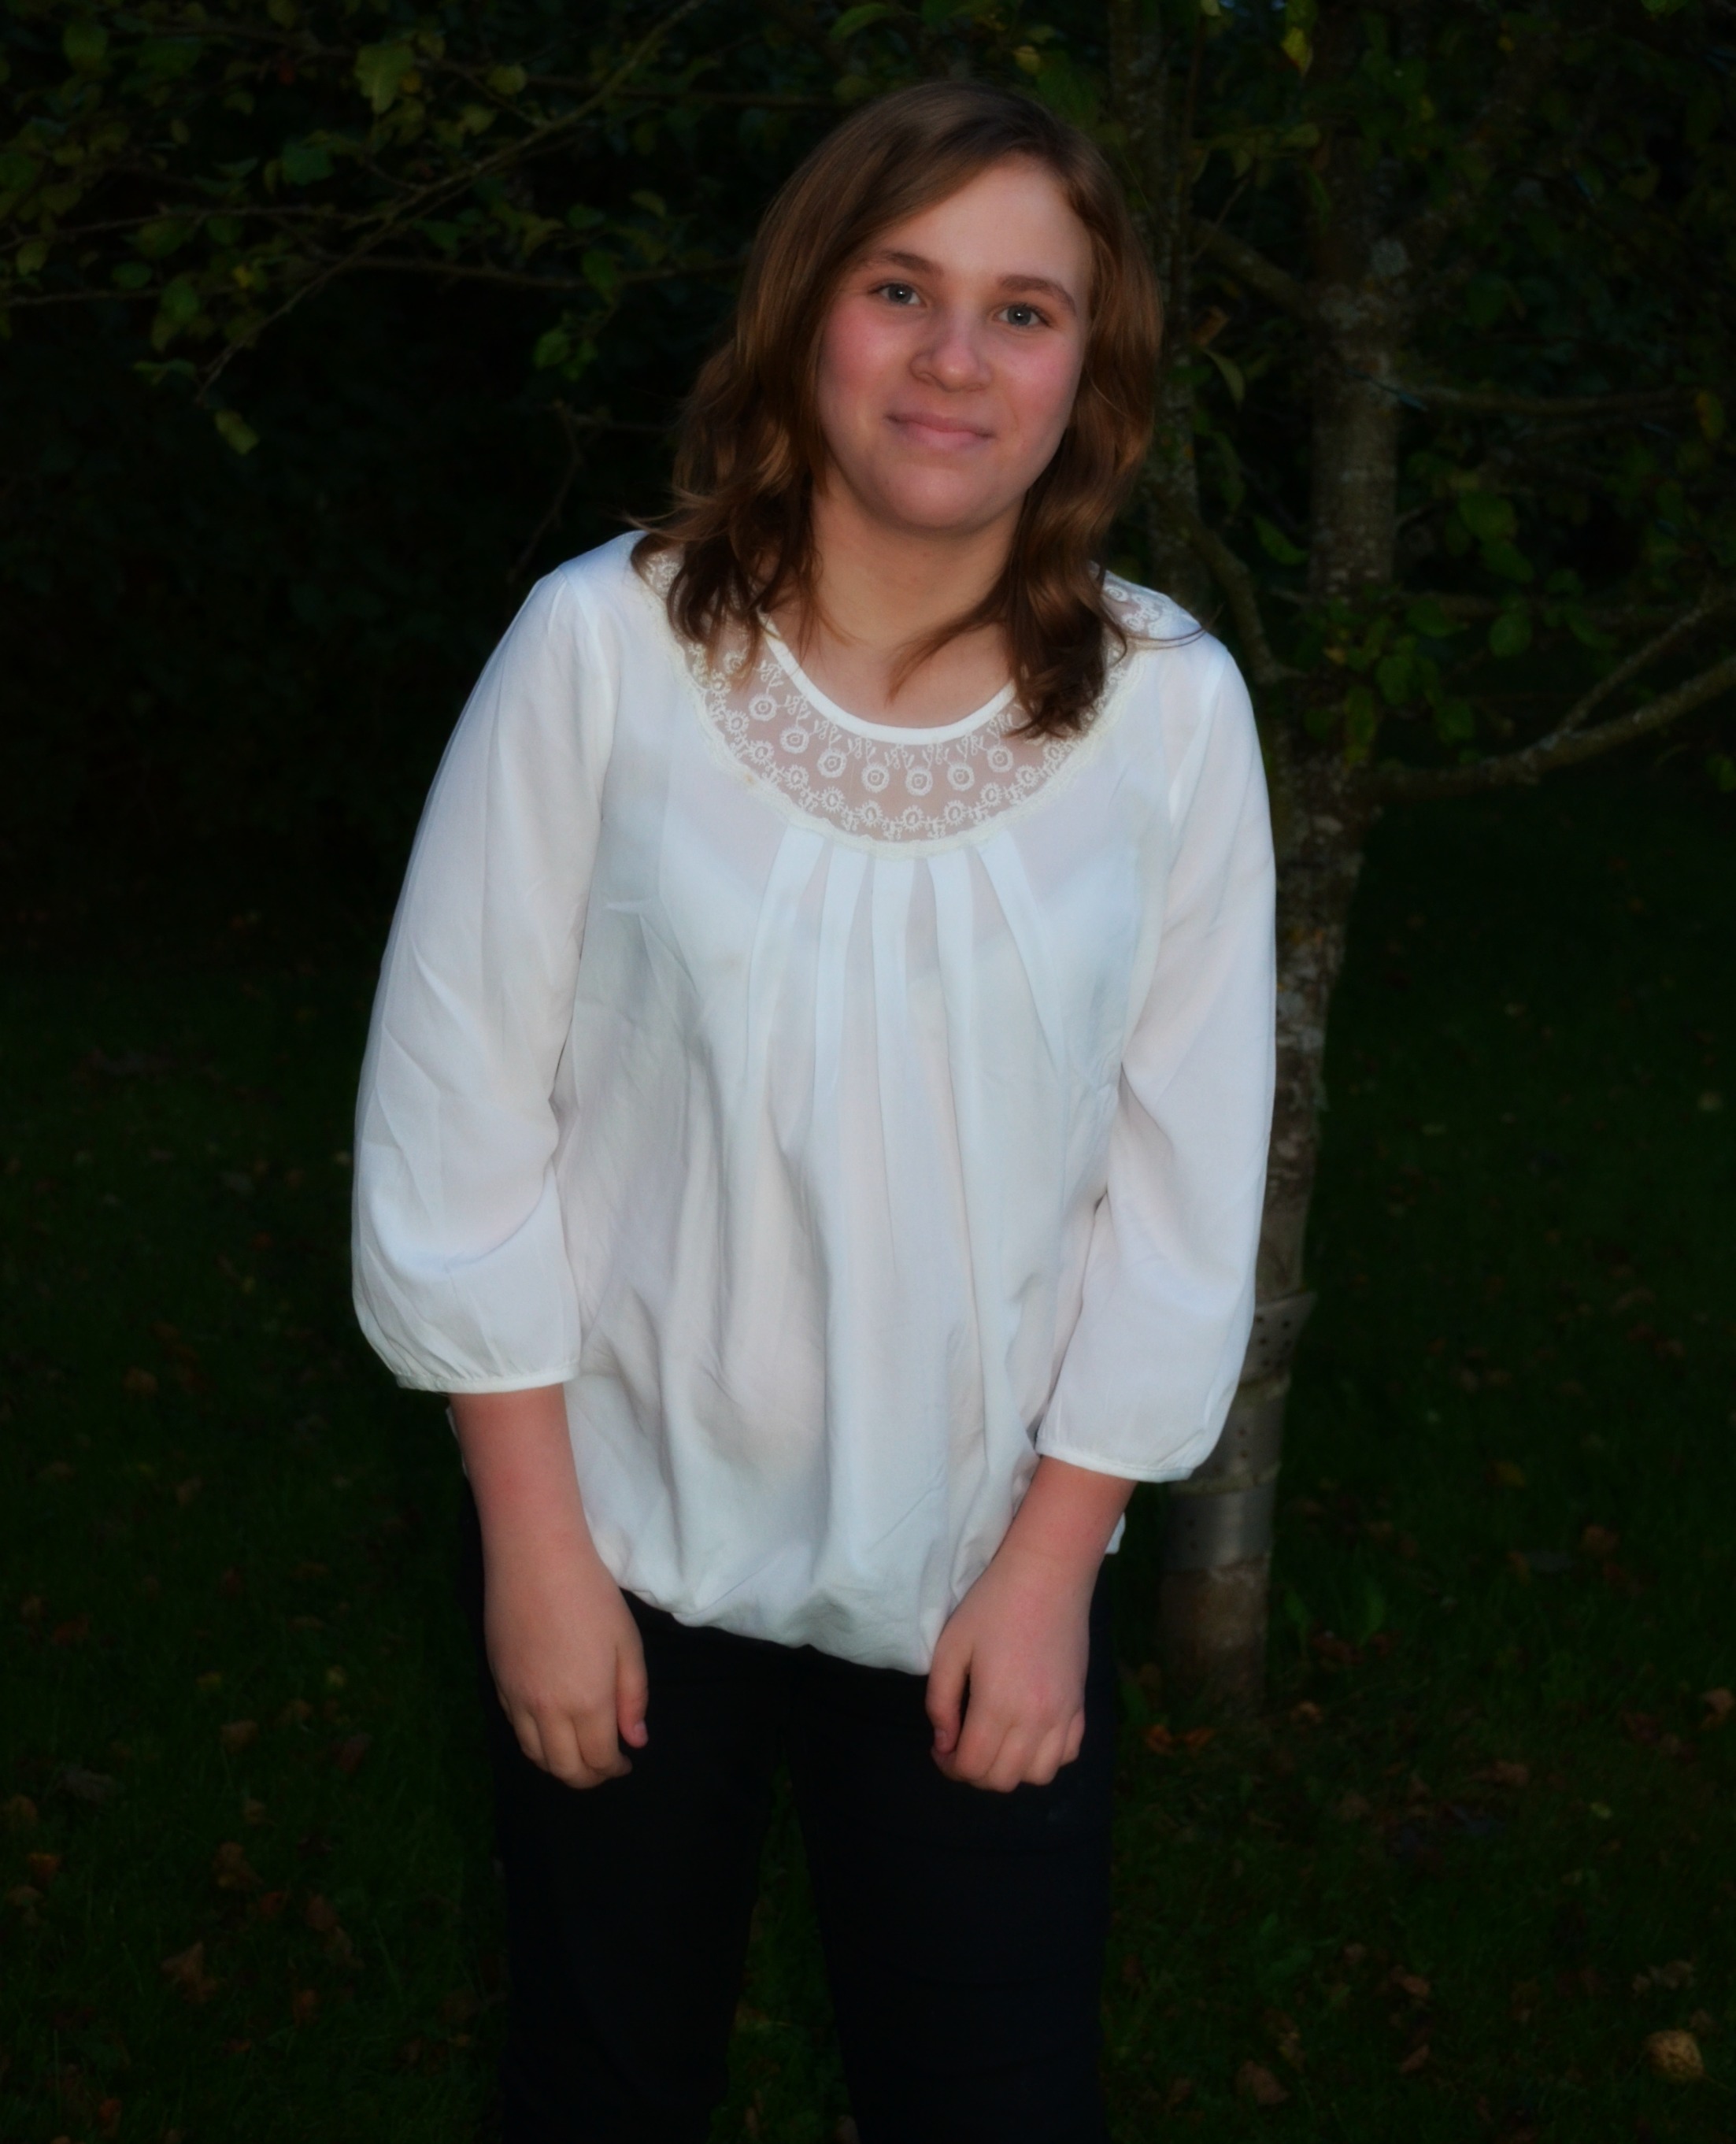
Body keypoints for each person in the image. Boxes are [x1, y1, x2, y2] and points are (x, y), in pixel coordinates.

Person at [352, 78, 1275, 2144]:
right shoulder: (603, 649)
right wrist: (535, 1546)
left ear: (1091, 370)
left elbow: (1182, 1192)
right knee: (601, 2088)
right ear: (801, 316)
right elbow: (454, 1108)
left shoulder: (1171, 714)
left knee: (994, 2100)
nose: (956, 357)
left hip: (982, 1562)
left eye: (1025, 310)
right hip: (621, 1541)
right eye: (900, 287)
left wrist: (1058, 1561)